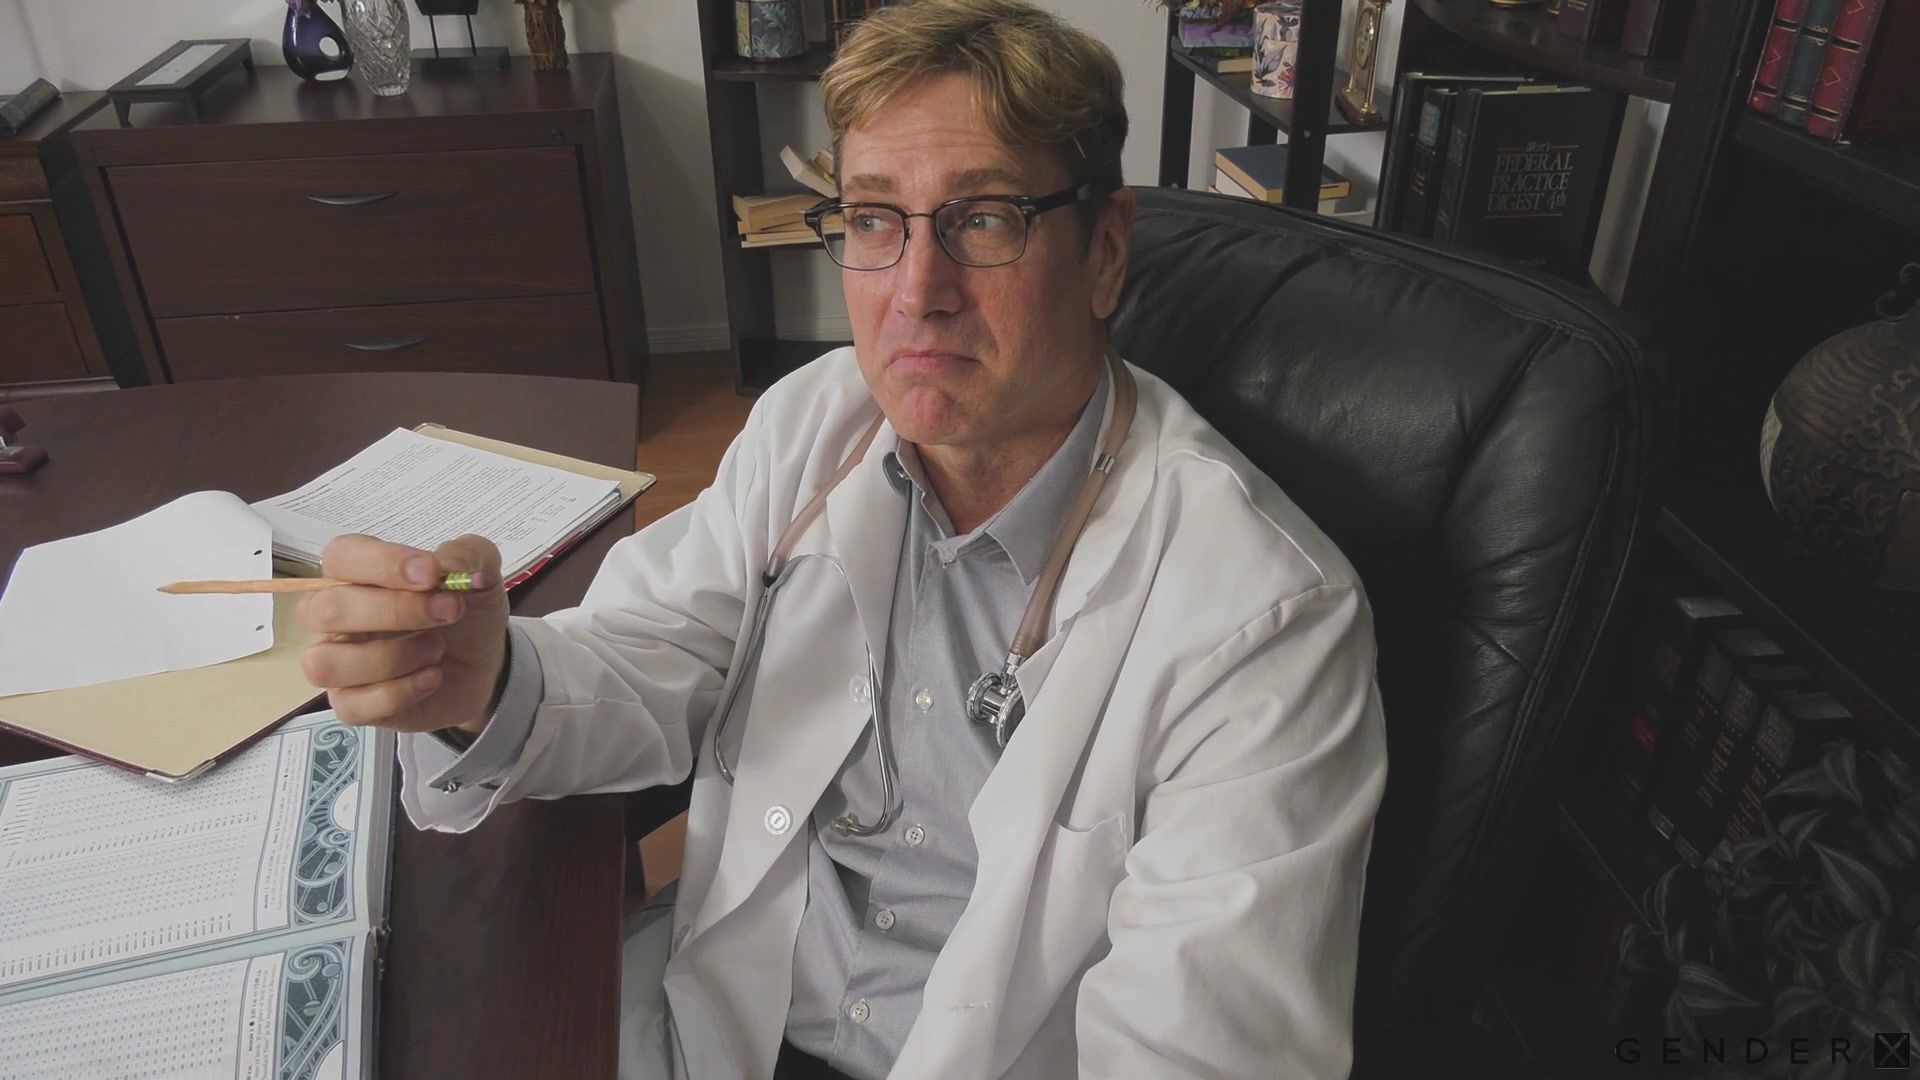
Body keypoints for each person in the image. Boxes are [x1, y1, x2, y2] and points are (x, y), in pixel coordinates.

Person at [294, 0, 1388, 1075]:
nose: (917, 292)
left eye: (984, 218)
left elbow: (1197, 1052)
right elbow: (666, 643)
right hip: (720, 1020)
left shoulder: (1264, 622)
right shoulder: (818, 423)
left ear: (1104, 252)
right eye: (873, 220)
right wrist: (488, 680)